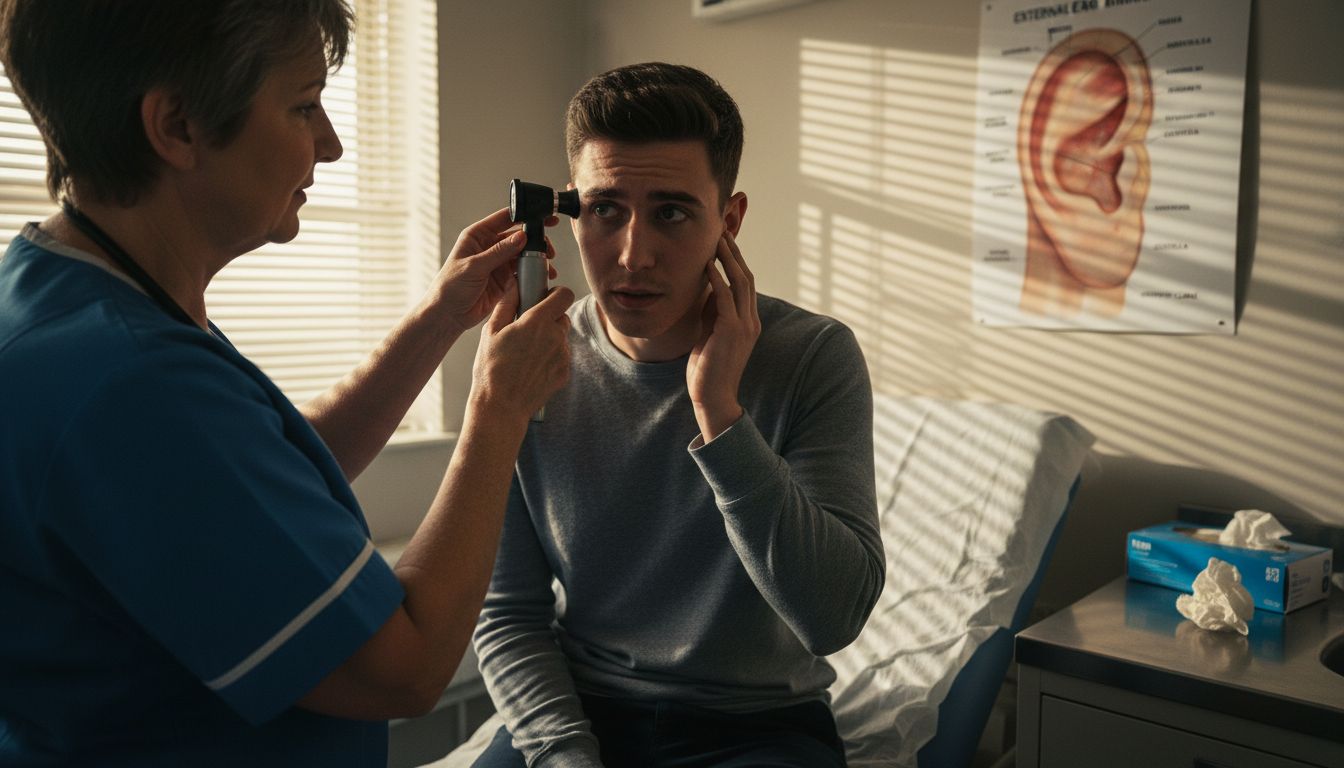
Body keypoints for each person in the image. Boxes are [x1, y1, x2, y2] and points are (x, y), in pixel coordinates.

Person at [0, 1, 572, 764]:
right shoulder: (131, 381)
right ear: (175, 126)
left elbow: (249, 486)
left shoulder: (73, 300)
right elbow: (400, 672)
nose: (331, 144)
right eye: (304, 106)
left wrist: (440, 319)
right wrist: (498, 408)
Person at [471, 62, 883, 768]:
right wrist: (563, 754)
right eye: (604, 209)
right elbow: (508, 611)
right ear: (569, 213)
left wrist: (719, 414)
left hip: (758, 725)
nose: (633, 254)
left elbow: (832, 617)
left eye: (671, 211)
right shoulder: (531, 361)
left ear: (729, 220)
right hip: (583, 709)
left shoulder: (814, 356)